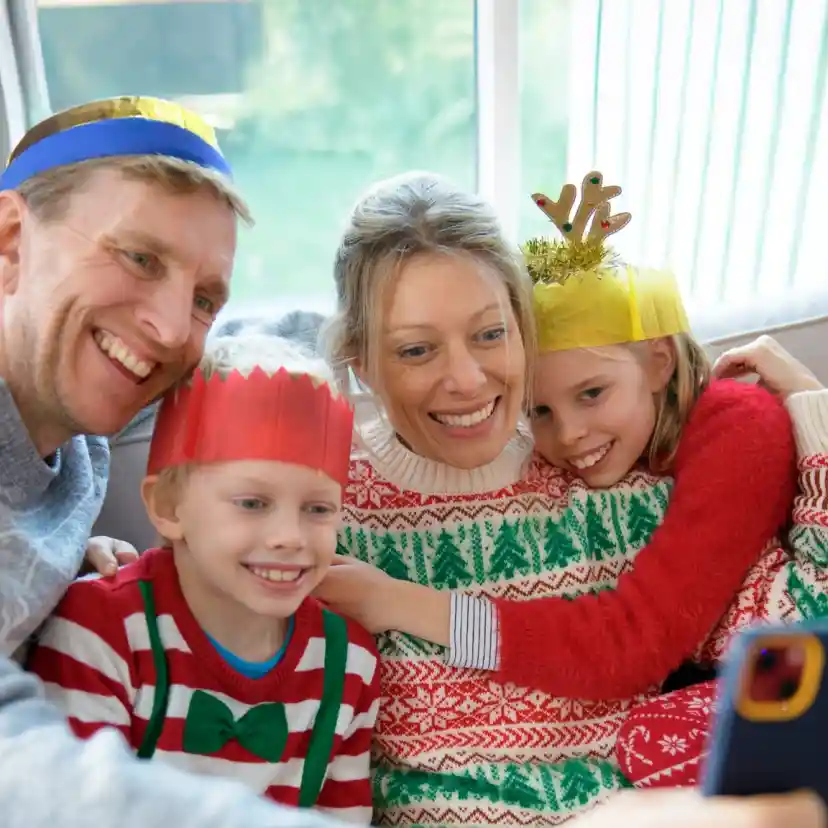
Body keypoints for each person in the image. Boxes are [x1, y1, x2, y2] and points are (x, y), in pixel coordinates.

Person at [311, 171, 827, 825]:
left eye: (491, 333)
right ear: (359, 359)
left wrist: (813, 409)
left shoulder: (609, 485)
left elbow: (797, 627)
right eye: (416, 350)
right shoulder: (322, 509)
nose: (467, 380)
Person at [0, 97, 352, 828]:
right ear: (10, 240)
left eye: (203, 299)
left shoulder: (80, 450)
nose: (167, 329)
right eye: (138, 257)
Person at [28, 334, 379, 822]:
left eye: (317, 509)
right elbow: (69, 810)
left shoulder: (349, 663)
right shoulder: (103, 630)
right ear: (169, 508)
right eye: (252, 503)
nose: (289, 536)